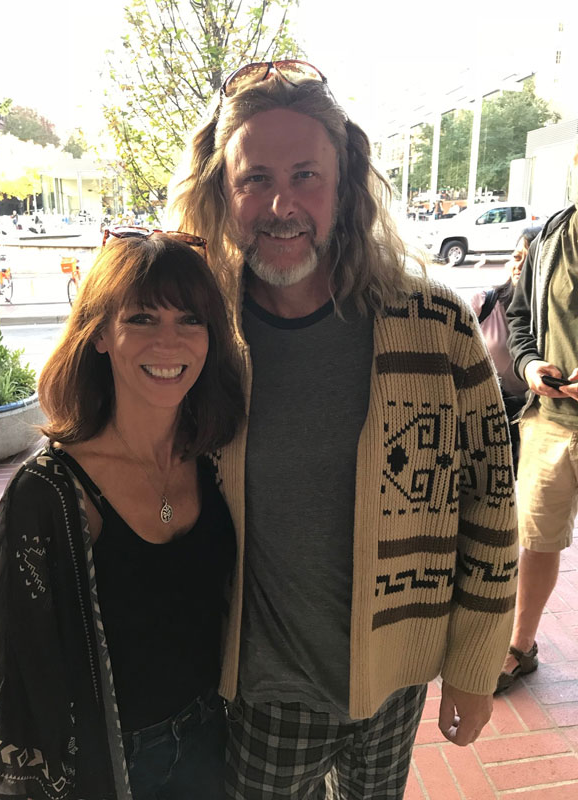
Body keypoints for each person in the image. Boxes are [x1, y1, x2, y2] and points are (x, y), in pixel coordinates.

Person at [168, 59, 518, 799]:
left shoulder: (436, 327)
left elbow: (489, 503)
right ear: (220, 193)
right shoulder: (197, 335)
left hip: (395, 681)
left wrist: (475, 667)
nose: (280, 204)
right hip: (263, 693)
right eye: (254, 178)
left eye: (305, 176)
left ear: (347, 186)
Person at [0, 230, 245, 800]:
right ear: (100, 334)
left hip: (215, 738)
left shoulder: (215, 458)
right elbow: (24, 680)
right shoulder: (49, 494)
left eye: (190, 320)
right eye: (143, 319)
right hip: (116, 764)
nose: (169, 343)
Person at [499, 190, 578, 693]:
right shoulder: (552, 234)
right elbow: (518, 316)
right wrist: (528, 365)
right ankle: (519, 646)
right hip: (548, 419)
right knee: (537, 542)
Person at [470, 227, 542, 473]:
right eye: (516, 256)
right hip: (487, 418)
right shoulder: (483, 304)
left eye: (530, 258)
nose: (519, 265)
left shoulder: (552, 316)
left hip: (536, 422)